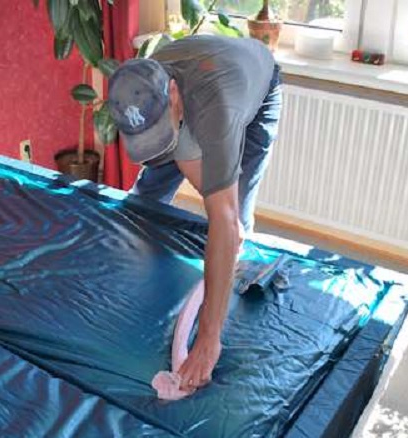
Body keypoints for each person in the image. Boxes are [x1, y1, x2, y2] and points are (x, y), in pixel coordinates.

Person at [107, 35, 282, 394]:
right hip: (195, 91)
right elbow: (182, 155)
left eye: (159, 131)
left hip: (253, 88)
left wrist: (207, 337)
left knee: (235, 220)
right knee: (145, 203)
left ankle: (226, 310)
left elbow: (224, 218)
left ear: (173, 96)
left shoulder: (218, 112)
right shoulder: (141, 85)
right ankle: (137, 284)